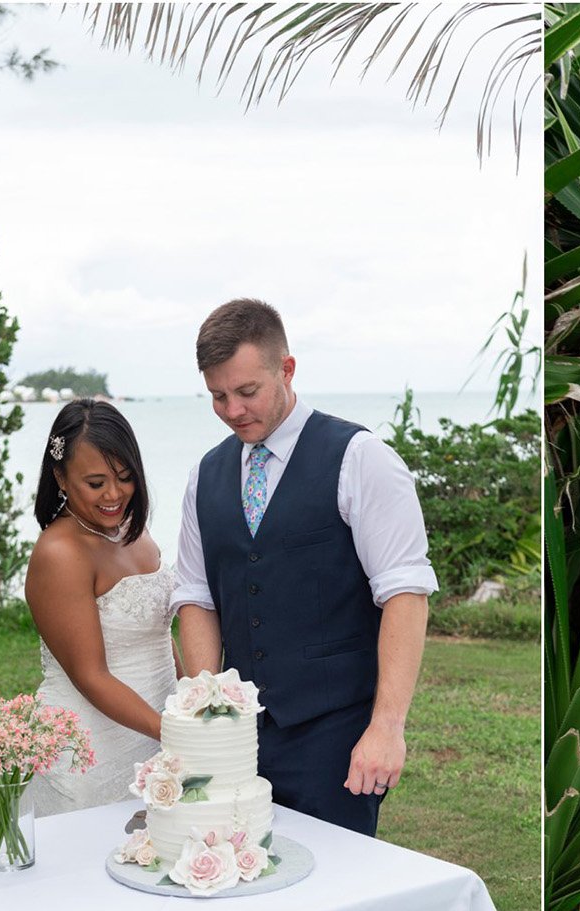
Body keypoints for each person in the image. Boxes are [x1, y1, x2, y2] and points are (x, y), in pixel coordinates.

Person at [171, 298, 435, 835]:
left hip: (336, 737)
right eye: (218, 396)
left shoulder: (360, 458)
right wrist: (209, 713)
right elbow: (196, 596)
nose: (233, 410)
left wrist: (387, 728)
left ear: (287, 369)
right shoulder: (205, 475)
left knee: (334, 880)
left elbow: (405, 593)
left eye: (247, 391)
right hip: (238, 738)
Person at [23, 399, 174, 814]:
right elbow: (90, 675)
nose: (114, 495)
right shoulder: (60, 553)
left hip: (159, 729)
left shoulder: (132, 531)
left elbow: (158, 634)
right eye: (96, 483)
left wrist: (192, 699)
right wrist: (171, 731)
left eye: (125, 478)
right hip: (92, 750)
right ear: (60, 477)